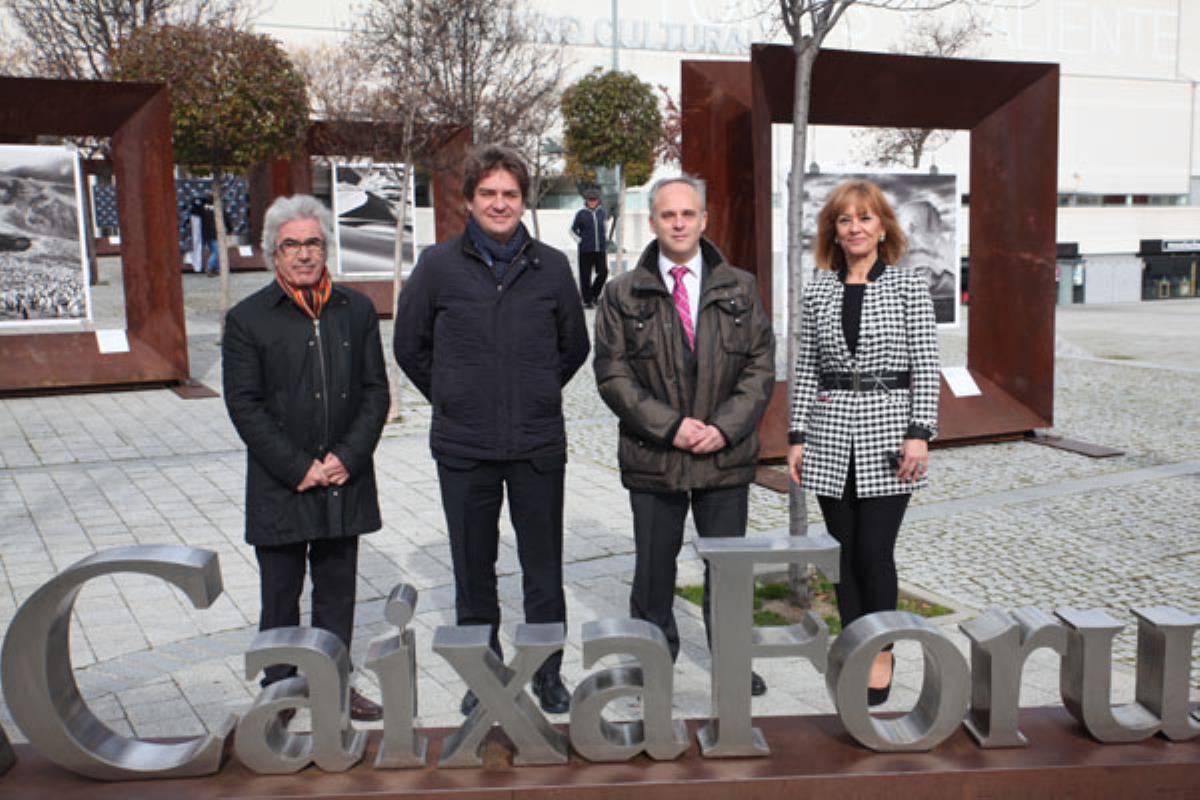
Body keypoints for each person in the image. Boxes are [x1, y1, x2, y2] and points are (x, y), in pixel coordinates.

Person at [394, 144, 589, 715]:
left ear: (523, 201)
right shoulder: (437, 267)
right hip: (465, 448)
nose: (499, 204)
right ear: (468, 201)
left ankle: (547, 672)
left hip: (535, 445)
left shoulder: (551, 266)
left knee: (543, 568)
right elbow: (410, 346)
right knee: (472, 569)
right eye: (488, 194)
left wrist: (532, 390)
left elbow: (573, 345)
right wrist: (455, 395)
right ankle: (483, 677)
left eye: (509, 194)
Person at [593, 175, 775, 696]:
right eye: (668, 215)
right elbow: (612, 373)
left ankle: (733, 661)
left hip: (725, 454)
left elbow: (761, 366)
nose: (678, 223)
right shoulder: (621, 293)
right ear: (651, 222)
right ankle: (654, 661)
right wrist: (671, 427)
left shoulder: (740, 286)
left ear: (704, 220)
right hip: (656, 456)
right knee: (653, 572)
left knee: (729, 570)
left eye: (688, 214)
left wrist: (724, 427)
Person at [222, 194, 389, 722]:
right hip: (282, 484)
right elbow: (244, 405)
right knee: (280, 596)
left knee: (337, 595)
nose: (303, 254)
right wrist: (298, 467)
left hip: (344, 478)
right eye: (291, 244)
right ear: (274, 251)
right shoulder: (248, 319)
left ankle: (334, 686)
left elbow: (375, 392)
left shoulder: (355, 310)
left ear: (326, 247)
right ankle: (280, 693)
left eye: (312, 243)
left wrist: (348, 455)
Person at [786, 178, 940, 706]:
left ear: (882, 227)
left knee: (875, 550)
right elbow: (807, 367)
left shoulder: (908, 286)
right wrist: (797, 435)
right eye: (845, 219)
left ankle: (882, 649)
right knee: (844, 553)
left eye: (865, 218)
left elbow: (926, 364)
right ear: (835, 229)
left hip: (888, 435)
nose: (855, 227)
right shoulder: (820, 287)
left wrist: (920, 434)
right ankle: (855, 640)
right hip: (830, 435)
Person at [570, 188, 608, 308]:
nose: (592, 202)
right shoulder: (581, 214)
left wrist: (604, 239)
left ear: (598, 201)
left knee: (603, 272)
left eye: (594, 200)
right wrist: (580, 241)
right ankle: (587, 301)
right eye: (590, 200)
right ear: (586, 201)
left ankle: (594, 295)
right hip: (585, 250)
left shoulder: (602, 213)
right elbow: (572, 230)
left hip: (600, 249)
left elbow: (604, 228)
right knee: (585, 276)